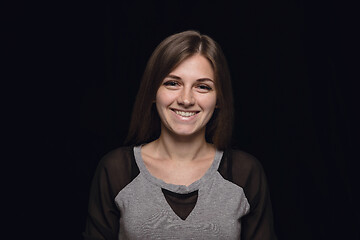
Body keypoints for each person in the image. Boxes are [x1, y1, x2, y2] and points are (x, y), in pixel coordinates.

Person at [83, 30, 277, 240]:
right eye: (172, 83)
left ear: (219, 98)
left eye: (202, 87)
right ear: (152, 92)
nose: (186, 99)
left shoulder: (244, 173)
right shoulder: (116, 170)